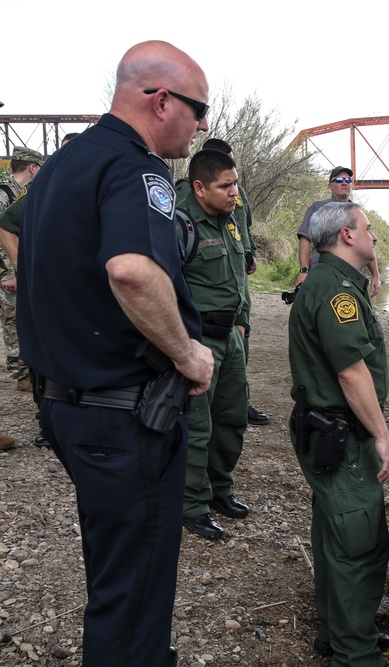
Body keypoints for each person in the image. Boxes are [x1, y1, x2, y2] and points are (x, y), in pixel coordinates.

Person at [17, 40, 214, 666]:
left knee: (114, 574)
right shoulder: (136, 167)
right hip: (123, 417)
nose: (203, 123)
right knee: (133, 595)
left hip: (68, 404)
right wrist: (188, 355)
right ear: (161, 101)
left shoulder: (64, 165)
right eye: (199, 108)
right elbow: (131, 271)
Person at [287, 201, 389, 666]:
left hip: (327, 429)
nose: (374, 236)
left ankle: (336, 634)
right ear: (347, 236)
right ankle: (357, 654)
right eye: (368, 228)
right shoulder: (337, 292)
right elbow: (352, 373)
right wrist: (382, 436)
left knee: (334, 532)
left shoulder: (336, 283)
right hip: (342, 435)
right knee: (358, 541)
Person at [175, 149, 251, 540]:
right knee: (198, 426)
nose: (234, 192)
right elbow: (161, 286)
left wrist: (242, 322)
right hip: (198, 338)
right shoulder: (180, 222)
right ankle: (192, 505)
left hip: (231, 337)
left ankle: (220, 490)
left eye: (235, 183)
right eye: (225, 186)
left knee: (232, 418)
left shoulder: (230, 220)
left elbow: (240, 278)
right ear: (199, 187)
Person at [1, 134, 78, 447]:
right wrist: (23, 270)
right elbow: (7, 225)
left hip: (84, 289)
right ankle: (48, 422)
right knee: (46, 352)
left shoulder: (103, 183)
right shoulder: (41, 187)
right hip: (49, 288)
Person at [200, 137, 270, 427]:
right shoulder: (193, 196)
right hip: (212, 272)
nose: (232, 189)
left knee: (241, 334)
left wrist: (250, 253)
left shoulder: (237, 194)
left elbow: (244, 227)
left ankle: (240, 398)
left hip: (238, 270)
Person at [296, 165, 380, 295]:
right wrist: (304, 271)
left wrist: (375, 275)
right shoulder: (318, 208)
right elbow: (305, 240)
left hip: (352, 274)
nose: (345, 183)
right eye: (339, 180)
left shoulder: (357, 212)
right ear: (330, 186)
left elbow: (368, 243)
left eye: (348, 180)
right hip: (323, 272)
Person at [0, 146, 44, 392]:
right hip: (8, 272)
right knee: (13, 320)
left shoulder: (19, 192)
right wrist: (9, 272)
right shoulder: (5, 193)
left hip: (16, 269)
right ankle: (22, 375)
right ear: (32, 167)